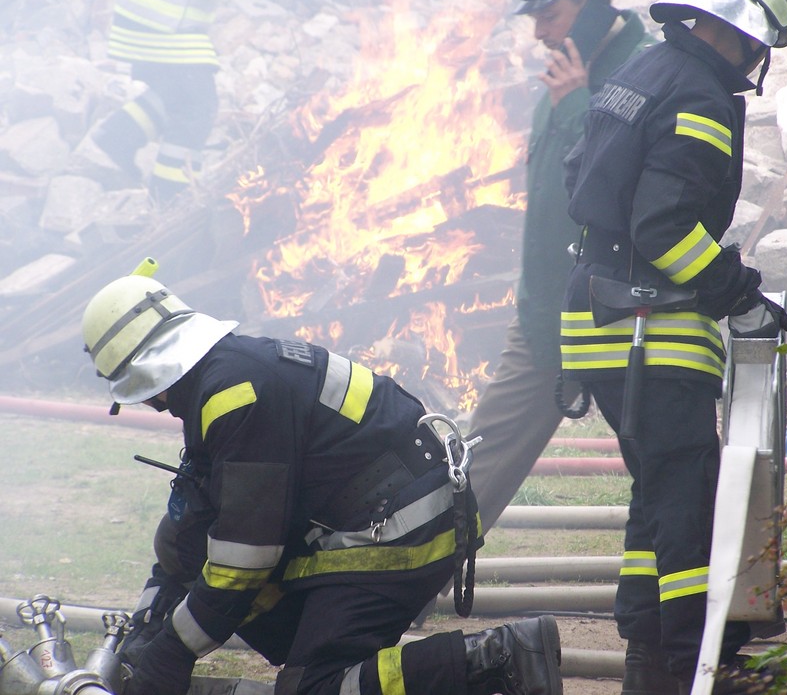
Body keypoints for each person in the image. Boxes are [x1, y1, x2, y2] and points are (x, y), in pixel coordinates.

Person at [80, 264, 563, 695]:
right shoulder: (223, 377)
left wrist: (174, 650)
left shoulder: (234, 395)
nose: (150, 405)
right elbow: (189, 532)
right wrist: (149, 623)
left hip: (400, 530)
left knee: (315, 687)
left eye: (141, 395)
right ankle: (320, 645)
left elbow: (244, 559)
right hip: (372, 519)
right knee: (198, 558)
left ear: (152, 379)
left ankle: (497, 656)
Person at [557, 0, 787, 693]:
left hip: (598, 327)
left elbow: (582, 179)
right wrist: (737, 291)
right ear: (738, 30)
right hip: (652, 335)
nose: (756, 58)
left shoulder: (638, 73)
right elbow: (663, 228)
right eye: (760, 42)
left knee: (653, 502)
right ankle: (691, 666)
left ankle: (644, 659)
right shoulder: (697, 95)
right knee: (687, 507)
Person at [465, 0, 655, 534]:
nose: (540, 32)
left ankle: (689, 603)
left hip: (622, 320)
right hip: (546, 315)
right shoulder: (562, 77)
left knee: (664, 465)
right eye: (533, 17)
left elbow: (607, 188)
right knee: (476, 464)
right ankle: (401, 588)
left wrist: (575, 103)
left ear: (594, 5)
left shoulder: (646, 72)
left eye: (550, 14)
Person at [79, 0, 291, 204]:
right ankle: (169, 197)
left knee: (177, 92)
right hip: (166, 27)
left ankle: (119, 135)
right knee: (199, 107)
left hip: (138, 19)